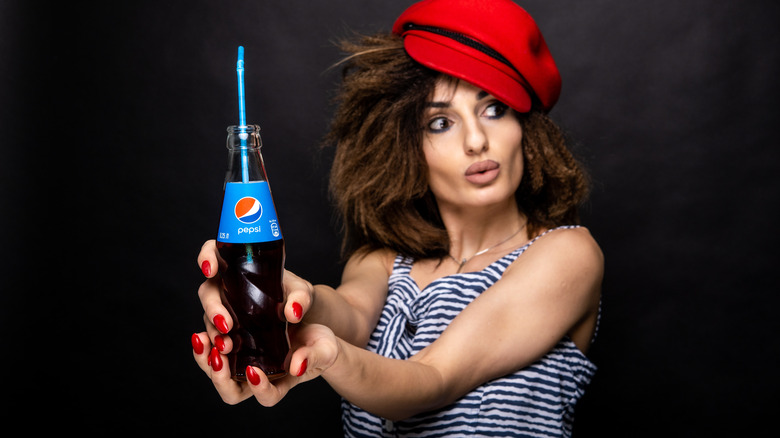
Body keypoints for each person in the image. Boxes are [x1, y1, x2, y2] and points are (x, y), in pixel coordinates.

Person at [192, 0, 604, 436]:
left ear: (526, 128)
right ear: (406, 146)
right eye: (441, 122)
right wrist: (288, 300)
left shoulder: (567, 255)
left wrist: (327, 354)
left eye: (494, 109)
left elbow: (431, 379)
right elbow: (346, 314)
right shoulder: (384, 261)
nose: (477, 141)